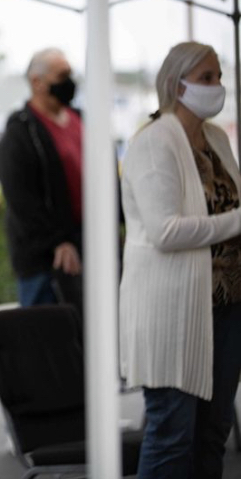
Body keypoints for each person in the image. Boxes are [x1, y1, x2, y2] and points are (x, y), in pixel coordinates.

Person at [119, 41, 241, 479]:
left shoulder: (216, 137)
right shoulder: (153, 142)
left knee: (213, 434)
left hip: (226, 307)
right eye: (207, 78)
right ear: (177, 83)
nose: (217, 86)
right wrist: (236, 222)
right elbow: (165, 231)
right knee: (172, 436)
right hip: (170, 311)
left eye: (219, 77)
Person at [0, 47, 83, 317]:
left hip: (85, 250)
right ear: (37, 82)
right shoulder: (20, 133)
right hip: (46, 264)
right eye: (62, 75)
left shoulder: (80, 118)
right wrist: (58, 242)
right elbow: (22, 200)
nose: (69, 82)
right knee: (48, 346)